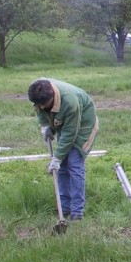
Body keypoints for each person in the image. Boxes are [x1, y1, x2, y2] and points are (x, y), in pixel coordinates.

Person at [28, 78, 99, 221]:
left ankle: (77, 212)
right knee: (62, 167)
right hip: (66, 122)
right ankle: (64, 207)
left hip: (84, 124)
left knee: (74, 164)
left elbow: (70, 134)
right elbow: (40, 111)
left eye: (44, 104)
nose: (41, 107)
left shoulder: (70, 102)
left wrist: (57, 158)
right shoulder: (37, 89)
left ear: (52, 96)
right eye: (38, 104)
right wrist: (45, 125)